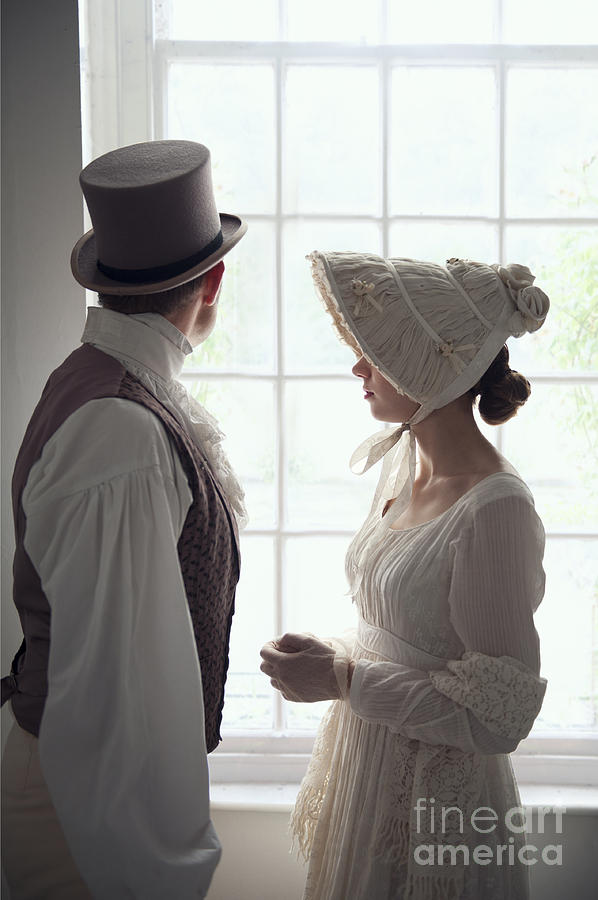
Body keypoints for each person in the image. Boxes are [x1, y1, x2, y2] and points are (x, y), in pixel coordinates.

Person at [260, 251, 551, 899]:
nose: (358, 367)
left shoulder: (496, 508)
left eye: (377, 353)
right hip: (370, 768)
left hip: (433, 801)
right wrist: (332, 655)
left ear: (430, 365)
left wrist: (342, 678)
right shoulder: (404, 468)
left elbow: (496, 719)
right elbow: (407, 633)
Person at [1, 140, 247, 899]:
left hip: (80, 784)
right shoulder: (122, 430)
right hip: (86, 806)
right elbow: (114, 689)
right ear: (214, 281)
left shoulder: (116, 388)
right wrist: (167, 866)